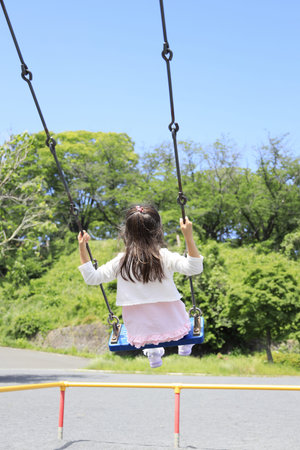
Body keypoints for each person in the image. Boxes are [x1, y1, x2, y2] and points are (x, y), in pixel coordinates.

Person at [78, 204, 203, 368]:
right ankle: (184, 344)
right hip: (174, 325)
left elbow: (91, 277)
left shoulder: (121, 262)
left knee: (145, 324)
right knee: (180, 317)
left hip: (140, 333)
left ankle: (153, 354)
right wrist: (188, 237)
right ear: (158, 230)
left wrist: (82, 247)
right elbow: (195, 268)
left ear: (126, 233)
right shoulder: (163, 256)